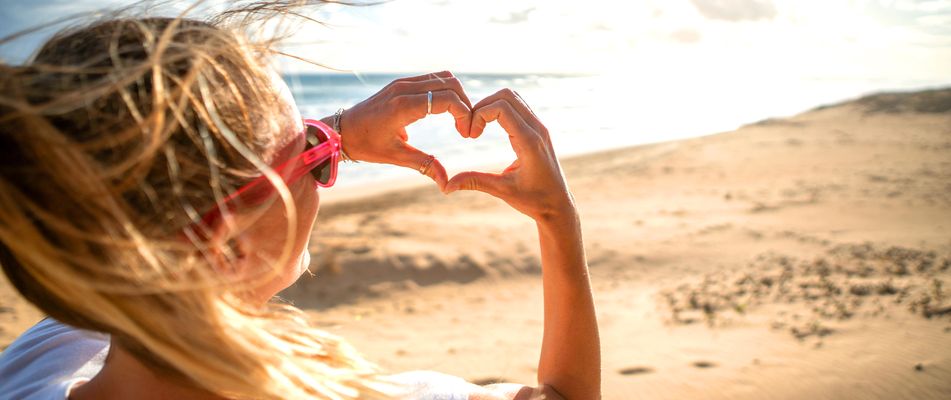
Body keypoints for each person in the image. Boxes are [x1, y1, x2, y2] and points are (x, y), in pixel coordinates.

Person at [0, 4, 599, 400]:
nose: (327, 155)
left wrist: (334, 131)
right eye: (313, 158)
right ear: (227, 245)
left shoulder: (43, 358)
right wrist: (558, 221)